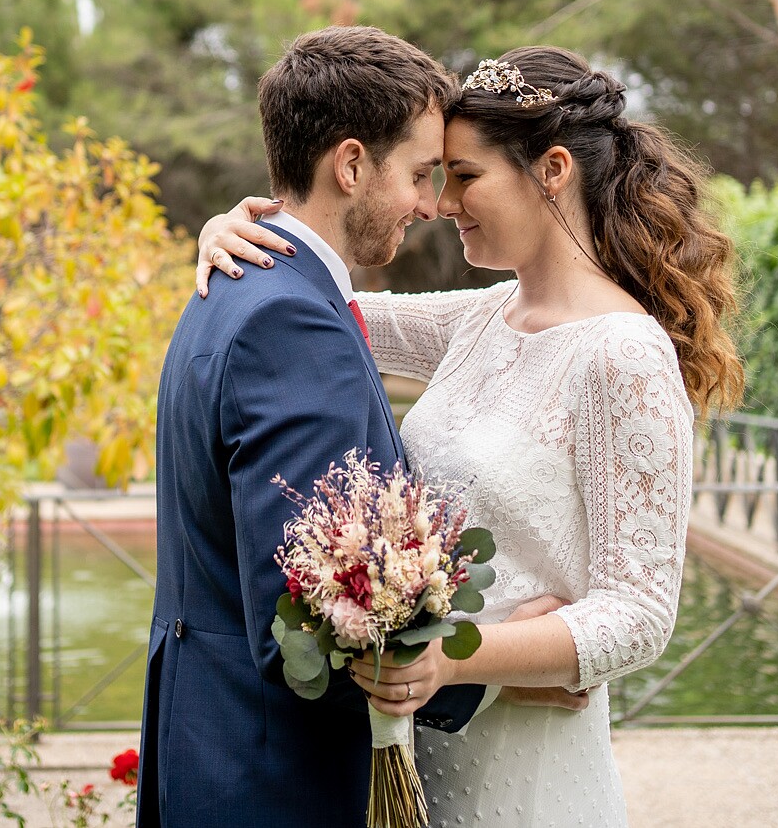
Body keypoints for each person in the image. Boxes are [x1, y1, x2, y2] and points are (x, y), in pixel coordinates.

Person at [197, 45, 744, 828]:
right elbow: (325, 305)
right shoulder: (481, 317)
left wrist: (450, 657)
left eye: (466, 174)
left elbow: (640, 612)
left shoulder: (622, 354)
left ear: (553, 169)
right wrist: (238, 228)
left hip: (531, 775)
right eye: (438, 175)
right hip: (426, 761)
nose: (443, 201)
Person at [139, 25, 509, 827]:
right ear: (349, 165)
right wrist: (512, 667)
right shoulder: (292, 326)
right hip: (274, 782)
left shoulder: (235, 286)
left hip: (212, 750)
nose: (429, 203)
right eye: (417, 173)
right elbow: (307, 630)